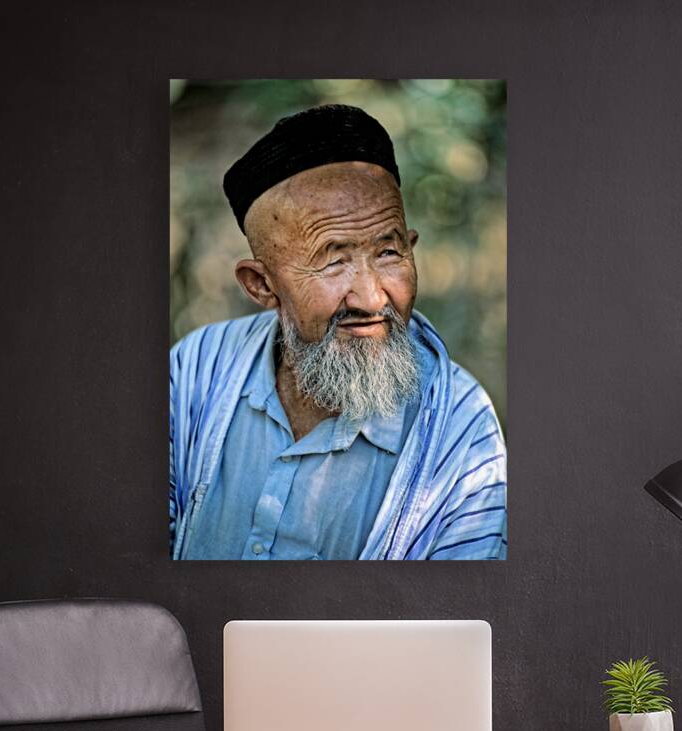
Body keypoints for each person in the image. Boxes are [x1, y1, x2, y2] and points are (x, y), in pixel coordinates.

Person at [170, 104, 506, 560]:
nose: (371, 299)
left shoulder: (461, 430)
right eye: (332, 261)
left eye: (388, 253)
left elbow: (455, 617)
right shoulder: (194, 371)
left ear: (411, 249)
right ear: (261, 285)